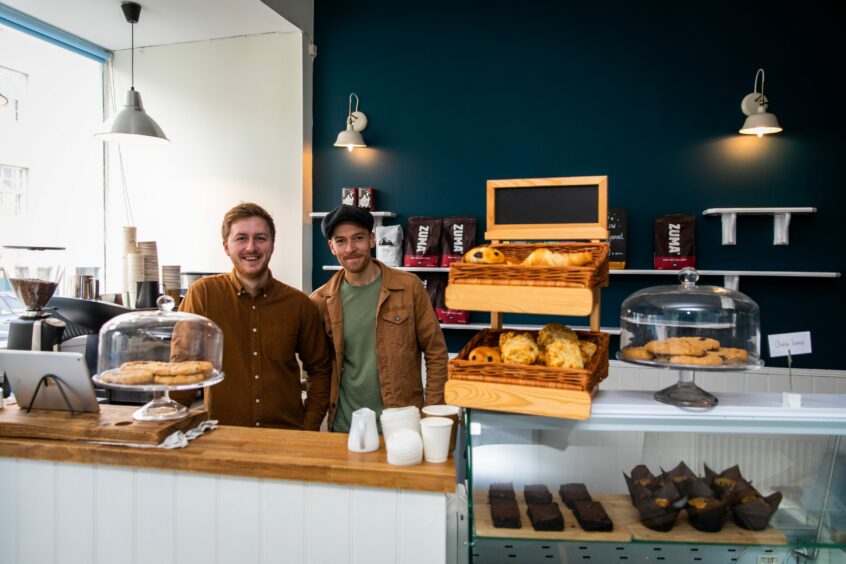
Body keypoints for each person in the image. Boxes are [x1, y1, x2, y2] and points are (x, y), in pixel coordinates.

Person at [173, 202, 331, 430]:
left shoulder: (298, 304)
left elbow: (320, 369)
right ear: (226, 246)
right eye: (241, 238)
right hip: (223, 435)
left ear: (272, 244)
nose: (251, 247)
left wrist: (309, 426)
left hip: (286, 436)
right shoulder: (203, 295)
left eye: (260, 238)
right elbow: (183, 368)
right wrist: (172, 426)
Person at [310, 205, 448, 433]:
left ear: (372, 239)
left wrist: (430, 413)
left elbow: (436, 353)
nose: (351, 248)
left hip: (402, 425)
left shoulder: (409, 287)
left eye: (358, 238)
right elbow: (316, 369)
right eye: (341, 241)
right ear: (331, 247)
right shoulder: (320, 300)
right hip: (346, 428)